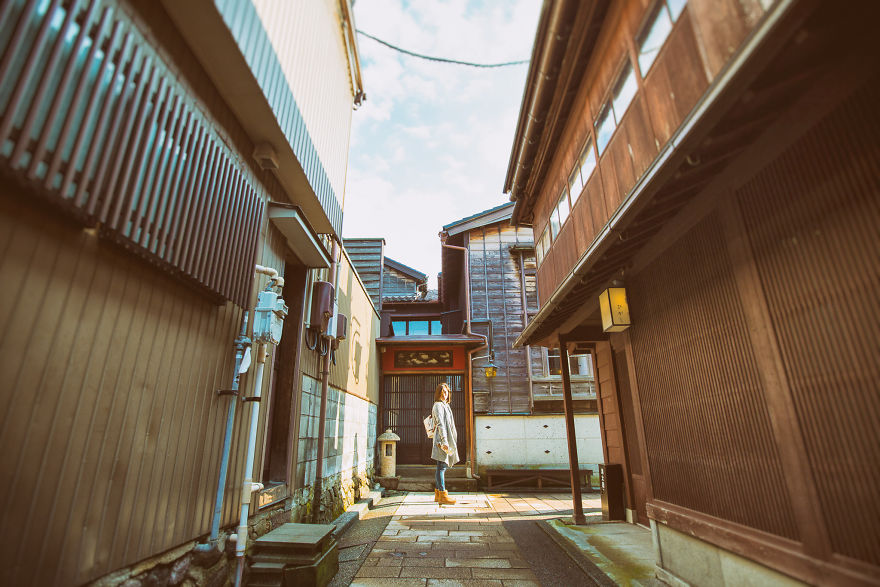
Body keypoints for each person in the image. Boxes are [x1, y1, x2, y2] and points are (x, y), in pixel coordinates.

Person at [431, 382, 459, 505]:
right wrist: (444, 441)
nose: (444, 395)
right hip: (442, 440)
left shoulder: (445, 406)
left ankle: (438, 494)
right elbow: (441, 424)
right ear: (438, 394)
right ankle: (442, 494)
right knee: (442, 467)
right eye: (442, 392)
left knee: (440, 466)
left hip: (444, 439)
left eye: (446, 392)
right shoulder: (438, 405)